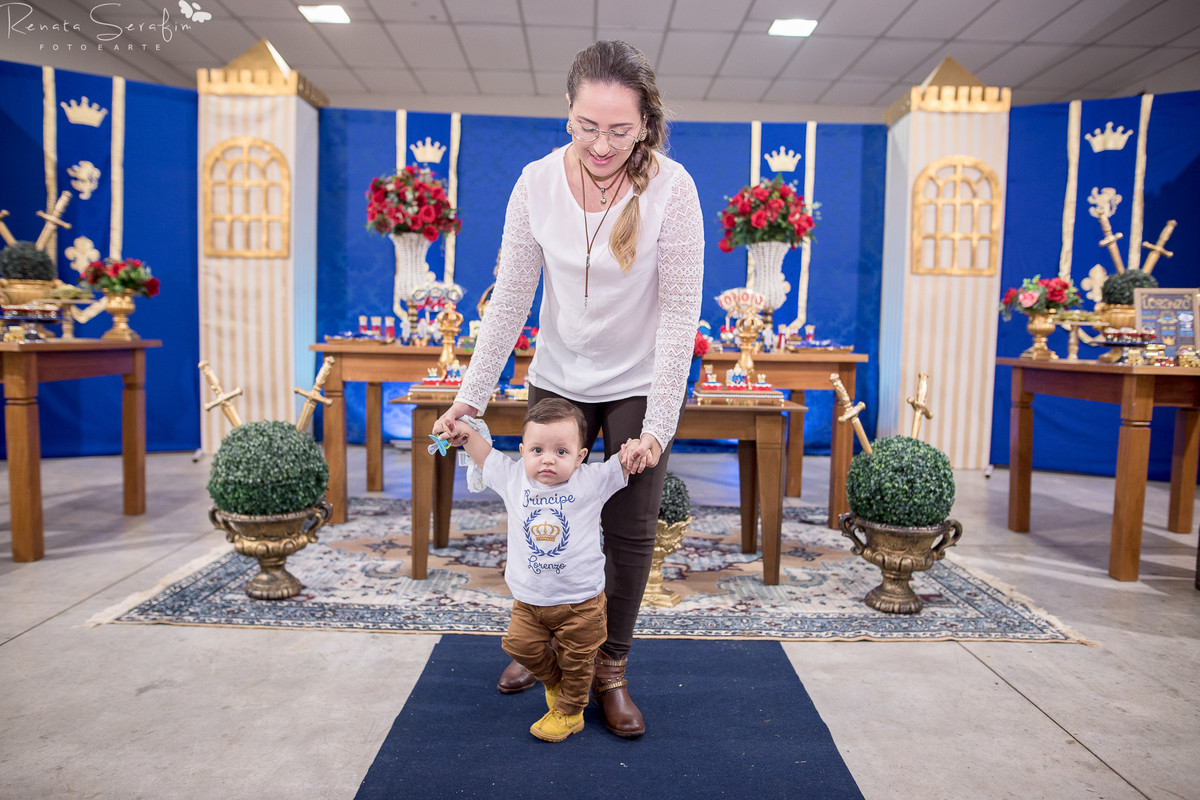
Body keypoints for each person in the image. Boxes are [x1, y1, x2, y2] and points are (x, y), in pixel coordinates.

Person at [432, 39, 705, 738]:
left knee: (628, 529)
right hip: (556, 378)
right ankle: (550, 644)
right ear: (567, 112)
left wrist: (658, 427)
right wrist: (470, 395)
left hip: (638, 383)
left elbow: (679, 316)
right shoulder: (535, 183)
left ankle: (608, 666)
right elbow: (510, 299)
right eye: (588, 126)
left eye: (619, 129)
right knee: (540, 511)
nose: (603, 144)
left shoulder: (673, 190)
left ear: (645, 122)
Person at [451, 398, 636, 741]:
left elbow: (623, 465)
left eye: (561, 452)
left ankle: (569, 713)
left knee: (580, 663)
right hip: (529, 600)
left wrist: (634, 450)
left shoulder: (590, 481)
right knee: (519, 646)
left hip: (582, 602)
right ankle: (555, 681)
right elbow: (483, 454)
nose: (548, 458)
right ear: (523, 451)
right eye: (537, 449)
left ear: (580, 456)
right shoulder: (513, 478)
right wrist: (463, 430)